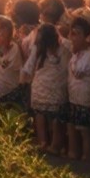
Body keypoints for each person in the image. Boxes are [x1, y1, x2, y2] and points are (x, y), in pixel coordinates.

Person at [26, 22, 69, 156]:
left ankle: (42, 142)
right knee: (56, 117)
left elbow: (28, 67)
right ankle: (56, 145)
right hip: (57, 88)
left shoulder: (37, 49)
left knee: (40, 115)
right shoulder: (63, 48)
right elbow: (66, 69)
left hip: (39, 88)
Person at [66, 12, 90, 163]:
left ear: (86, 36)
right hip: (74, 97)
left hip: (87, 99)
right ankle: (74, 152)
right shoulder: (75, 54)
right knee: (74, 127)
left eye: (77, 34)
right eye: (72, 34)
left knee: (86, 130)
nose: (73, 37)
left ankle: (89, 156)